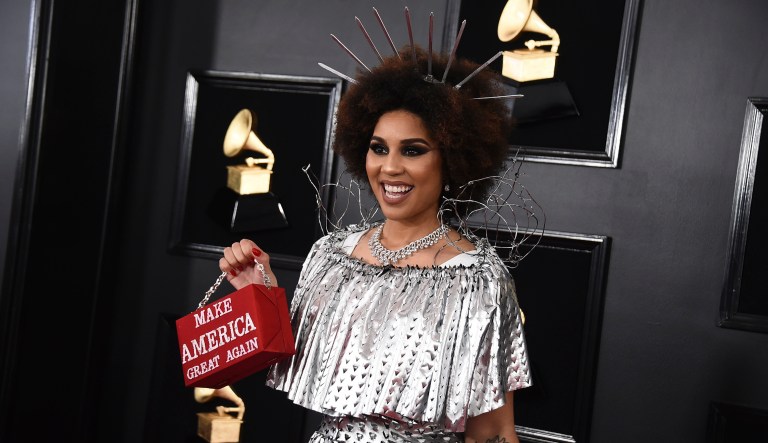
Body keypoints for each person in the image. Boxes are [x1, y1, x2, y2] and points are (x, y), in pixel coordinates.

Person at [219, 43, 531, 443]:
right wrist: (261, 298)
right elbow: (298, 365)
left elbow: (492, 433)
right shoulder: (329, 256)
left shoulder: (479, 282)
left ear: (452, 160)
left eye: (413, 150)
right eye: (378, 147)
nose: (390, 167)